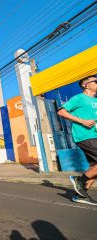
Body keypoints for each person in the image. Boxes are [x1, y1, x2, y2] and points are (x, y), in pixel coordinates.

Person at [58, 74, 97, 205]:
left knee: (95, 168)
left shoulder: (96, 101)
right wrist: (82, 121)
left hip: (95, 135)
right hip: (85, 136)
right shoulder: (79, 98)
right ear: (86, 85)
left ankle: (80, 195)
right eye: (95, 81)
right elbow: (61, 112)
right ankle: (79, 180)